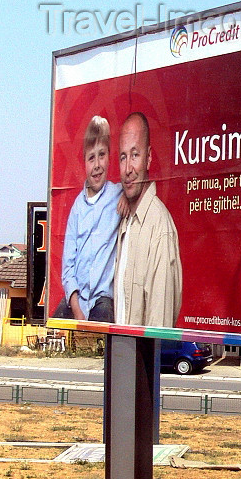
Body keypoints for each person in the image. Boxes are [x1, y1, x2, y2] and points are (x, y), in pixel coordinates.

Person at [114, 111, 182, 327]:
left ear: (149, 157)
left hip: (141, 359)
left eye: (135, 155)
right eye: (123, 157)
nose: (128, 169)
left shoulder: (158, 226)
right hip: (121, 354)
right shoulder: (125, 220)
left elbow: (158, 326)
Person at [56, 116, 121, 323]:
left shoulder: (118, 194)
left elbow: (141, 188)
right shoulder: (77, 208)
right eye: (91, 158)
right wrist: (77, 311)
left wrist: (130, 200)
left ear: (110, 157)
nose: (97, 165)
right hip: (76, 300)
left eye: (102, 155)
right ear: (84, 162)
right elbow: (67, 267)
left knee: (102, 324)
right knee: (53, 328)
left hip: (102, 299)